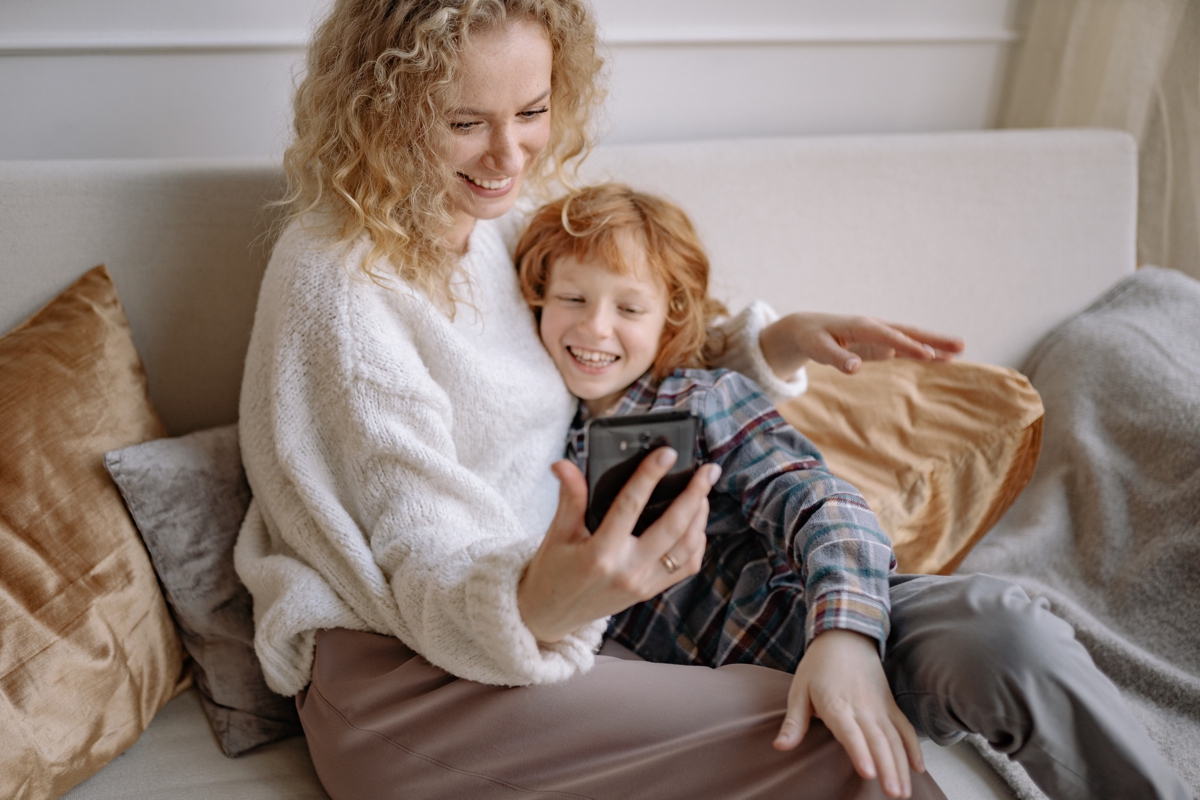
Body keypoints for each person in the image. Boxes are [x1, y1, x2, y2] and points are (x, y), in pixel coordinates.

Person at [232, 2, 1187, 799]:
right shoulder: (341, 286)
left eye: (531, 111)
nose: (509, 154)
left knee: (1003, 633)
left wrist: (759, 345)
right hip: (423, 669)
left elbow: (599, 338)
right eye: (464, 122)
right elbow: (421, 559)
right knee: (828, 740)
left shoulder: (497, 220)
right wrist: (542, 600)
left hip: (592, 608)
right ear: (384, 109)